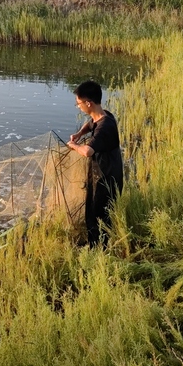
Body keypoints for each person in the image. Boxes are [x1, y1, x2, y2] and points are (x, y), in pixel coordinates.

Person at [66, 80, 124, 246]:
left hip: (106, 180)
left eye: (79, 104)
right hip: (101, 175)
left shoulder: (105, 127)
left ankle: (101, 251)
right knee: (91, 212)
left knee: (100, 216)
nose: (78, 107)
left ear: (88, 103)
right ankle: (93, 243)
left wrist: (74, 145)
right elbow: (91, 123)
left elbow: (87, 151)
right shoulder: (104, 116)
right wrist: (79, 133)